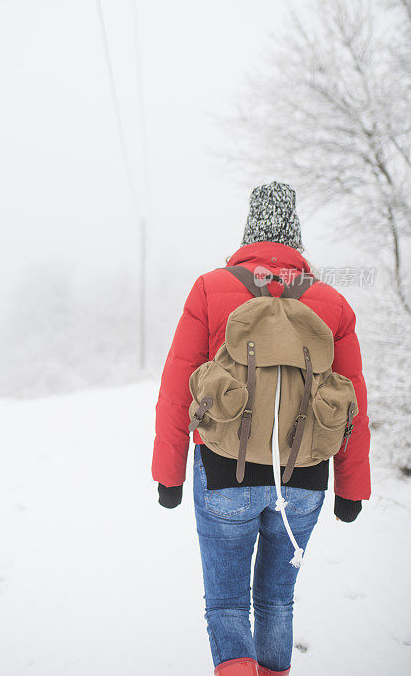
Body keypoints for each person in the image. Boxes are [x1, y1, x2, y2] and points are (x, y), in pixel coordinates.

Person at [151, 181, 371, 676]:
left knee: (227, 606)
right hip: (305, 478)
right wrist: (353, 487)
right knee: (277, 604)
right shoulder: (331, 303)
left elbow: (176, 388)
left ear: (250, 230)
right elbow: (355, 404)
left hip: (225, 470)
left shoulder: (210, 288)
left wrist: (169, 476)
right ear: (296, 237)